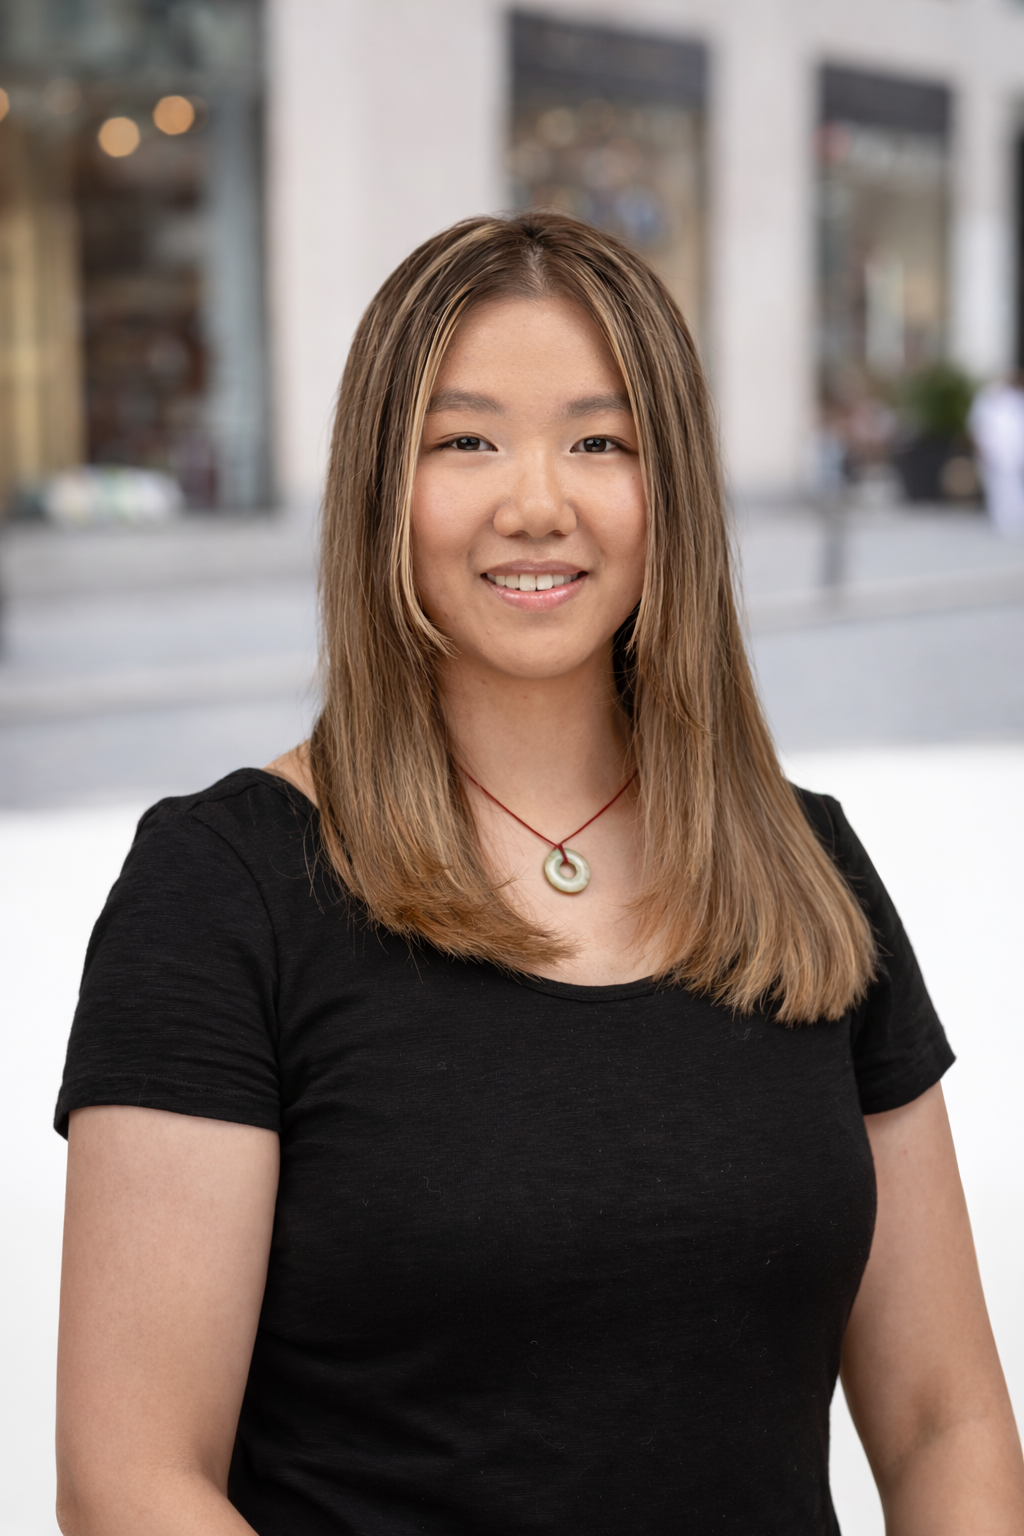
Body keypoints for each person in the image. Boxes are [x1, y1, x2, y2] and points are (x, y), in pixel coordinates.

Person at [54, 213, 1024, 1535]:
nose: (536, 504)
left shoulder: (806, 868)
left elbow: (943, 1423)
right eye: (465, 442)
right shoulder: (222, 890)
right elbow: (131, 1480)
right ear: (380, 486)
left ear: (671, 488)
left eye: (599, 442)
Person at [969, 372, 1024, 534]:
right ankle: (1002, 518)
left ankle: (1017, 517)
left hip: (1014, 451)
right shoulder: (987, 401)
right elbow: (977, 426)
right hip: (994, 450)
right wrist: (981, 448)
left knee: (1015, 485)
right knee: (996, 486)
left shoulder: (1017, 400)